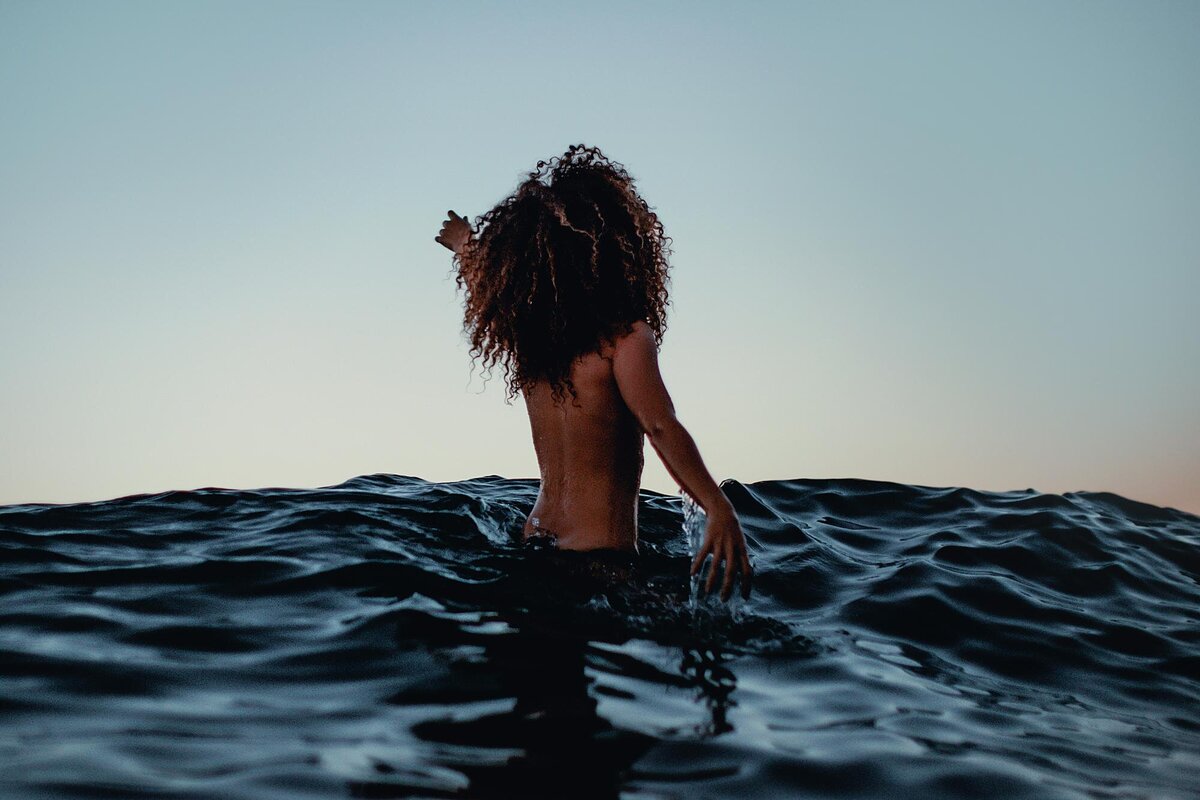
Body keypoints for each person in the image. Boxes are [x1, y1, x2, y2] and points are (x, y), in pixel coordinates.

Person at [436, 144, 751, 601]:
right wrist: (717, 506)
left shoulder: (530, 341)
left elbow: (486, 279)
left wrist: (465, 242)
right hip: (599, 560)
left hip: (533, 543)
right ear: (619, 249)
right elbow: (660, 424)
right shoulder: (625, 339)